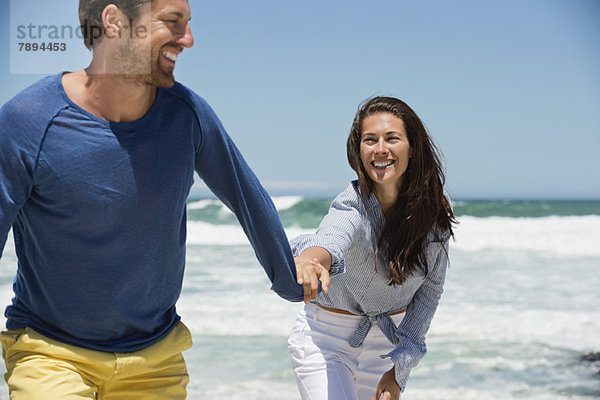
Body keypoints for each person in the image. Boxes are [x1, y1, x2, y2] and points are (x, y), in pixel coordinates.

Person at [0, 0, 303, 398]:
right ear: (114, 22)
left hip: (155, 359)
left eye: (188, 24)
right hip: (50, 354)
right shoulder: (28, 121)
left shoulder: (186, 115)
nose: (188, 40)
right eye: (173, 23)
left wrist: (291, 278)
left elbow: (244, 194)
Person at [288, 96, 456, 400]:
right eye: (370, 140)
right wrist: (312, 262)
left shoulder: (433, 214)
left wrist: (400, 368)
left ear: (412, 147)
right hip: (325, 340)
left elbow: (430, 292)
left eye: (392, 138)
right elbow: (330, 239)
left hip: (384, 351)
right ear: (358, 149)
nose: (380, 149)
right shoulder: (352, 203)